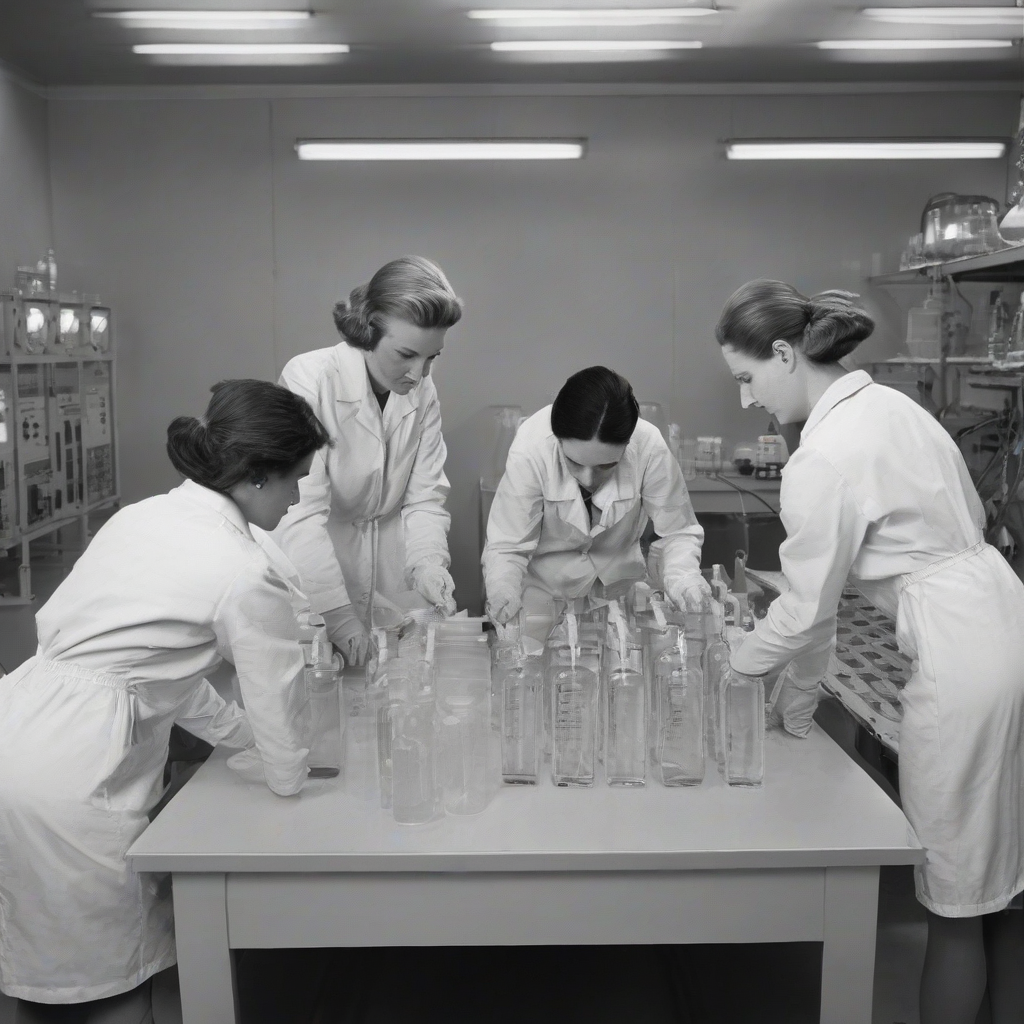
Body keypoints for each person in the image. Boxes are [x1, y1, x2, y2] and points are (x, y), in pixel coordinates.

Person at [716, 280, 1024, 1024]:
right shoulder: (888, 405)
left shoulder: (823, 456)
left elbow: (800, 611)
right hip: (1004, 616)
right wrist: (795, 702)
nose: (747, 400)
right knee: (1008, 884)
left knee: (955, 897)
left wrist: (728, 666)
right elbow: (816, 617)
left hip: (962, 663)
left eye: (748, 379)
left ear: (786, 354)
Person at [0, 380, 331, 1024]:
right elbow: (277, 689)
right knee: (103, 977)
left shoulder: (148, 515)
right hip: (74, 774)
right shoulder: (238, 568)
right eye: (295, 480)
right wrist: (288, 774)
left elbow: (154, 678)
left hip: (17, 731)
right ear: (256, 477)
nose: (297, 500)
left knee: (35, 961)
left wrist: (241, 739)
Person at [275, 255, 463, 666]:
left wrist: (428, 563)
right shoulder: (309, 378)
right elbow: (300, 510)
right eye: (407, 354)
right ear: (367, 329)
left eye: (432, 358)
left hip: (389, 570)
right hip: (319, 567)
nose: (418, 374)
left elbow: (425, 498)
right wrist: (338, 615)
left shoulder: (423, 390)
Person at [482, 366, 709, 627]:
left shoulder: (648, 446)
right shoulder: (532, 448)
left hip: (619, 590)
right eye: (574, 463)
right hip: (544, 593)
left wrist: (684, 580)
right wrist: (503, 589)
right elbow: (508, 545)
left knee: (622, 660)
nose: (588, 480)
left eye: (606, 466)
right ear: (557, 440)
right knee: (534, 661)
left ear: (627, 445)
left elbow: (677, 532)